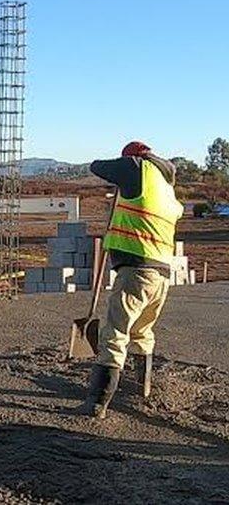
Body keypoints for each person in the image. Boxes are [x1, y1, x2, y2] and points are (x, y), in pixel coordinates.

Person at [76, 140, 182, 419]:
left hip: (136, 271)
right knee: (142, 332)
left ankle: (96, 404)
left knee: (114, 333)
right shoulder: (167, 189)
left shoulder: (137, 168)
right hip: (161, 276)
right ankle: (142, 390)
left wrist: (124, 168)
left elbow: (97, 167)